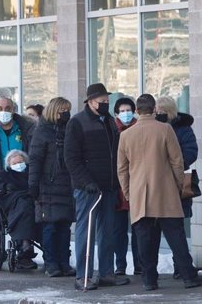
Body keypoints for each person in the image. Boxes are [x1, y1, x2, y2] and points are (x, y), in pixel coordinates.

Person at [117, 94, 202, 291]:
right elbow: (177, 161)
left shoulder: (126, 135)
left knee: (144, 239)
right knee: (176, 236)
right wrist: (176, 185)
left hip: (140, 194)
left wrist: (128, 193)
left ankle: (149, 280)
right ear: (153, 110)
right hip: (166, 191)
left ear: (137, 111)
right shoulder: (165, 129)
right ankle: (188, 276)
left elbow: (122, 170)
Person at [64, 83, 129, 291]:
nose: (105, 105)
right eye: (102, 102)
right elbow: (72, 158)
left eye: (107, 102)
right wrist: (86, 182)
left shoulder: (109, 121)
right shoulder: (77, 123)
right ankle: (83, 275)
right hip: (88, 189)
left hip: (108, 186)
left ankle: (106, 272)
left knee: (107, 231)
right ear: (91, 102)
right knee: (87, 232)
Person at [28, 96, 75, 277]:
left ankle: (64, 262)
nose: (66, 114)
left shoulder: (70, 129)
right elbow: (35, 159)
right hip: (47, 185)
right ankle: (51, 263)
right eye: (63, 110)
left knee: (64, 227)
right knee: (49, 227)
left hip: (66, 185)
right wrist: (33, 185)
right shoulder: (42, 132)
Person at [155, 96, 199, 276]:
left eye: (162, 111)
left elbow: (191, 151)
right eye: (156, 111)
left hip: (177, 181)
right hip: (157, 181)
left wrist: (175, 166)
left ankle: (180, 266)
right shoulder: (154, 128)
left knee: (177, 227)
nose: (158, 114)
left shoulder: (183, 129)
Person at [0, 150, 38, 270]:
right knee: (23, 205)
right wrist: (3, 188)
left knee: (29, 205)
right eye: (15, 163)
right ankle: (24, 243)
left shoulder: (32, 174)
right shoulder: (3, 176)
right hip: (12, 205)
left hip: (32, 203)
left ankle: (28, 245)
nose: (18, 165)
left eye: (20, 162)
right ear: (9, 165)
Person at [113, 96, 141, 276]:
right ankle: (120, 265)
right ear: (116, 113)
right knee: (119, 230)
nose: (125, 114)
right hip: (117, 186)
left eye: (128, 110)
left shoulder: (139, 129)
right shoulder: (111, 130)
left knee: (139, 229)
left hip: (137, 182)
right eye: (122, 111)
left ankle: (140, 264)